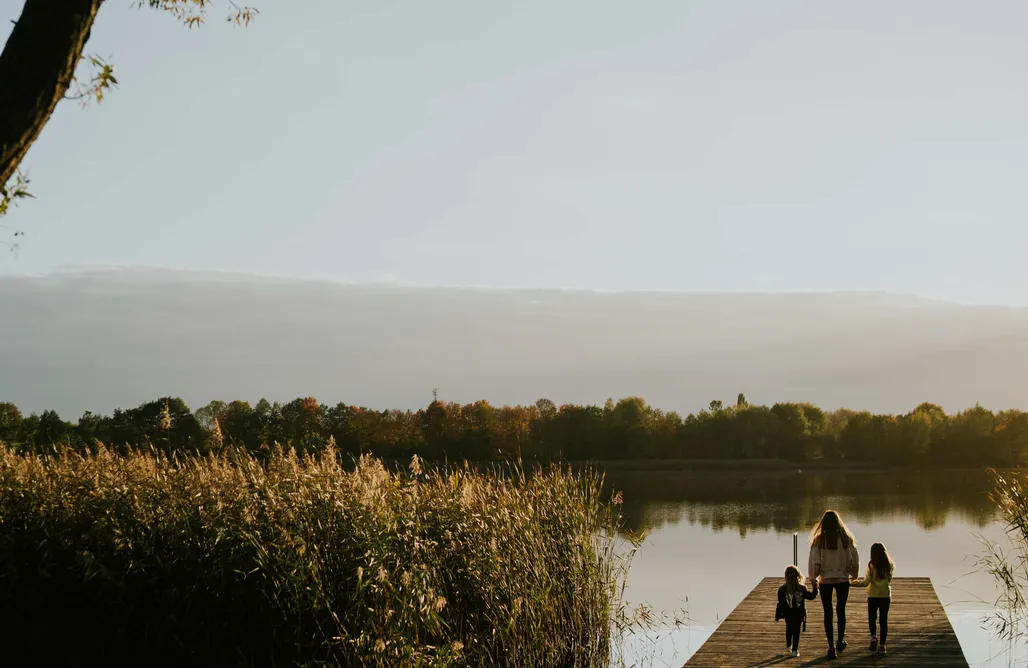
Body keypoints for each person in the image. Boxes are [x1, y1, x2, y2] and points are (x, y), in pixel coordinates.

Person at [807, 510, 859, 660]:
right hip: (842, 579)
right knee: (841, 611)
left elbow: (814, 562)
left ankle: (830, 647)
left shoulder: (818, 541)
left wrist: (813, 578)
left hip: (825, 580)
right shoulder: (846, 540)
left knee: (828, 613)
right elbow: (854, 560)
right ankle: (840, 641)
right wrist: (853, 574)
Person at [851, 542, 895, 655]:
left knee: (872, 618)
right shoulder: (890, 565)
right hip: (885, 596)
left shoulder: (871, 565)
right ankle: (882, 646)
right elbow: (889, 580)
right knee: (883, 620)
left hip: (873, 596)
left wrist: (852, 583)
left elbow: (866, 583)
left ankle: (874, 637)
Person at [775, 565, 818, 657]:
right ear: (798, 575)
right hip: (798, 614)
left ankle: (788, 647)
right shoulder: (802, 588)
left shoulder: (782, 589)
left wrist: (780, 613)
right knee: (796, 631)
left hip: (787, 613)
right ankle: (795, 650)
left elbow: (781, 603)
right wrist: (815, 587)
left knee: (789, 629)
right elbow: (811, 596)